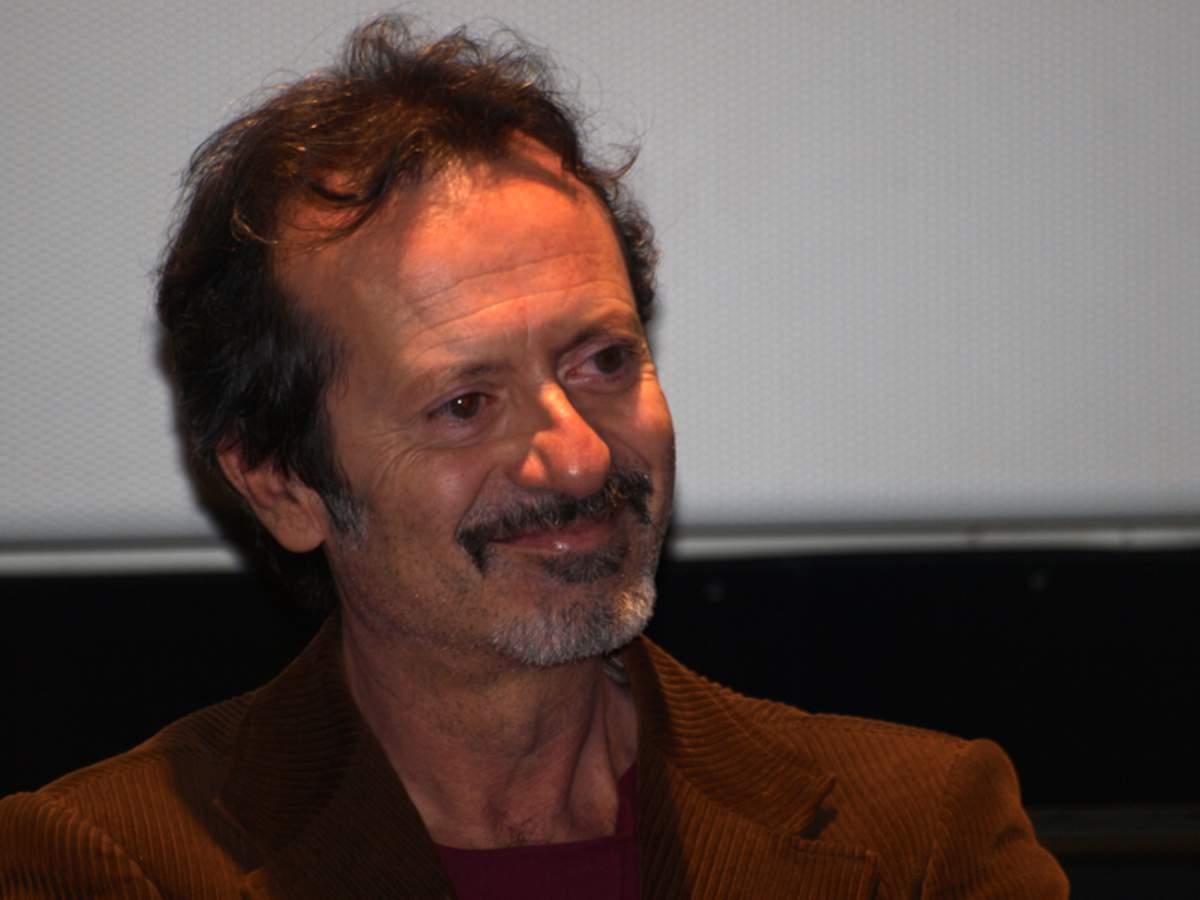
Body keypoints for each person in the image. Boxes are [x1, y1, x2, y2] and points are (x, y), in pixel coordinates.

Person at [0, 16, 1067, 898]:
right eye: (465, 405)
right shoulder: (108, 867)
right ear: (281, 483)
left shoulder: (924, 838)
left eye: (602, 361)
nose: (576, 459)